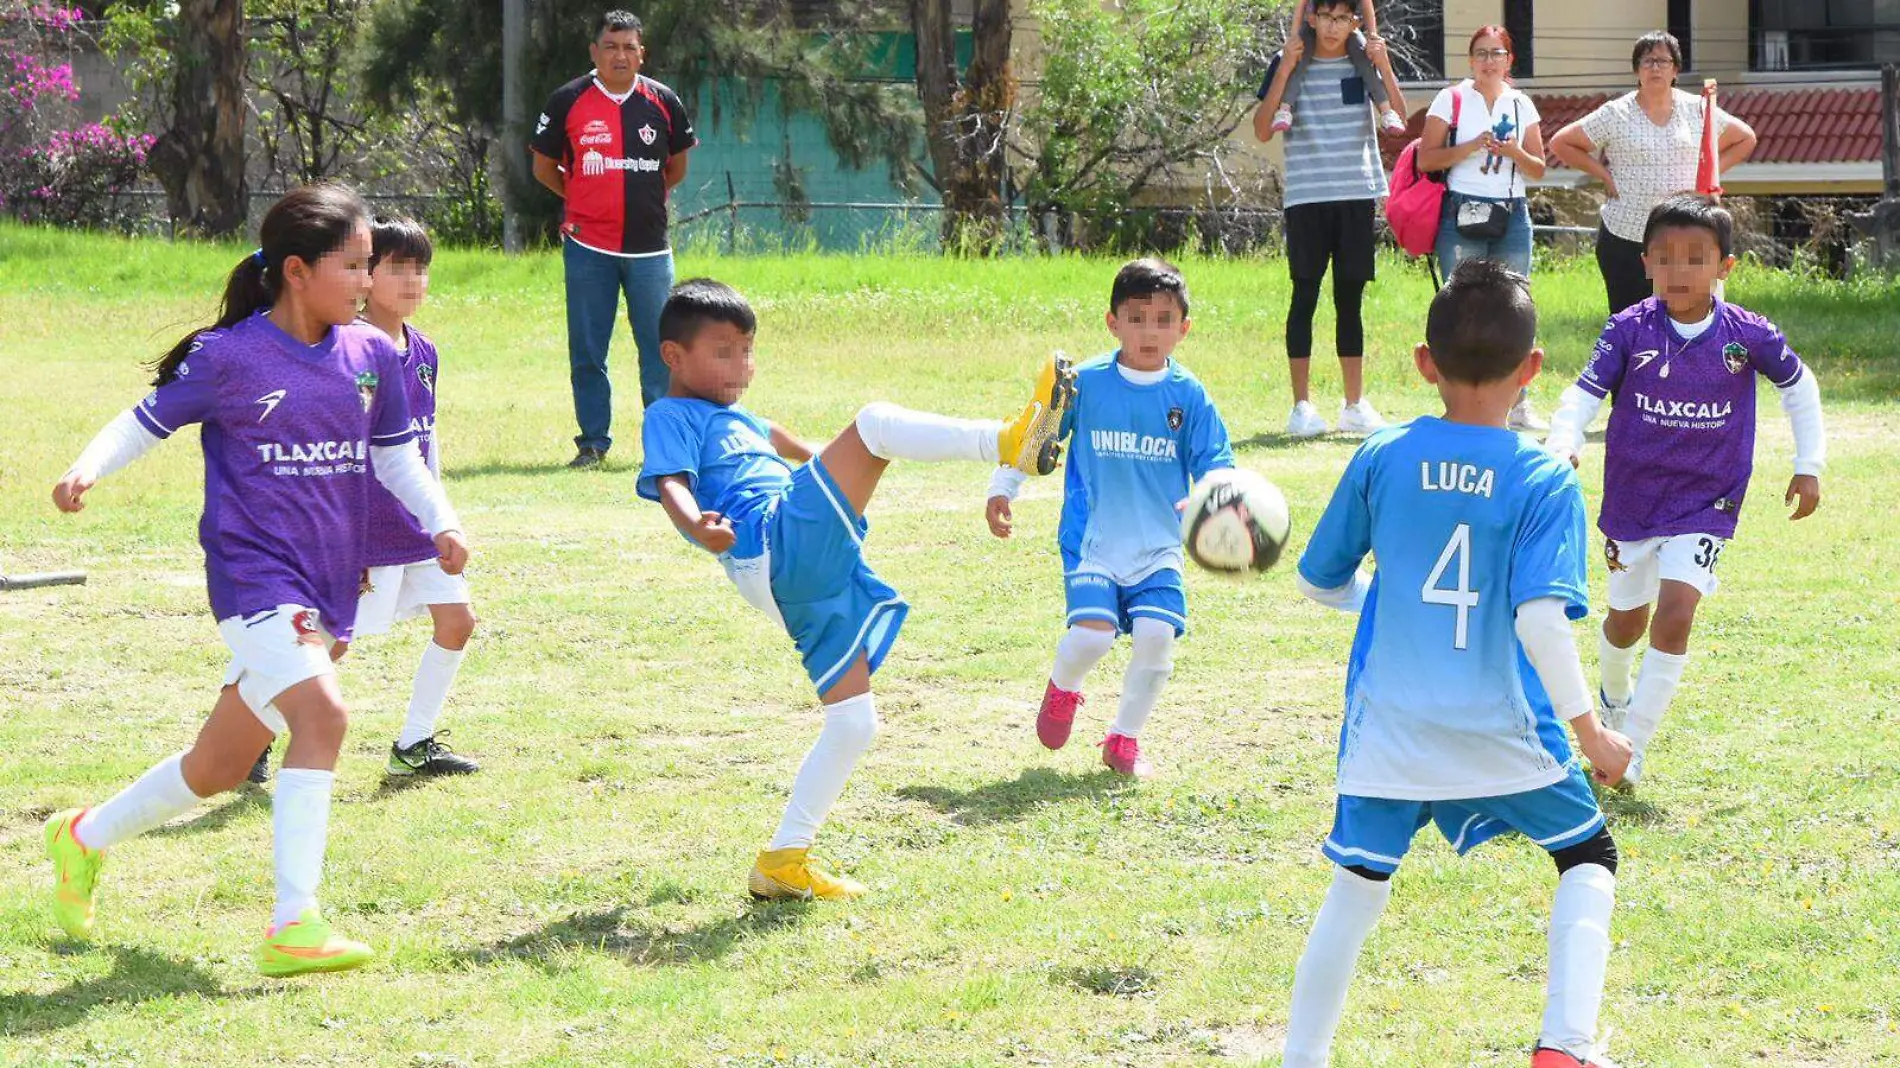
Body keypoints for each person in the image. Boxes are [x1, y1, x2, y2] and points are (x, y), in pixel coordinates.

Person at [44, 184, 470, 977]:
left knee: (218, 768)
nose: (370, 281)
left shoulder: (375, 356)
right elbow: (144, 420)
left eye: (372, 265)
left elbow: (395, 458)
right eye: (356, 266)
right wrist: (86, 470)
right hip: (253, 581)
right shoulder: (231, 356)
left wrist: (440, 520)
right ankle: (293, 924)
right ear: (299, 272)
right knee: (326, 717)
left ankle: (81, 837)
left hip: (329, 585)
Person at [1285, 258, 1632, 1068]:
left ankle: (1302, 1060)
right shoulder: (1545, 475)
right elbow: (1541, 619)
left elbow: (1317, 581)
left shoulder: (1382, 453)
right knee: (1587, 856)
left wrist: (1389, 593)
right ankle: (1564, 1047)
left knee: (1358, 890)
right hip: (1500, 727)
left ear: (1423, 363)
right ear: (1533, 369)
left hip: (1389, 730)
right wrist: (1592, 732)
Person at [636, 279, 1076, 900]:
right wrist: (694, 523)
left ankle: (783, 860)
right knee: (873, 422)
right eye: (723, 351)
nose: (742, 365)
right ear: (674, 357)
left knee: (853, 721)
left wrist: (867, 467)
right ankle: (1008, 441)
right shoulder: (670, 414)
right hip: (771, 539)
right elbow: (671, 484)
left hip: (799, 582)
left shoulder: (744, 420)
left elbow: (812, 454)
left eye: (748, 350)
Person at [1545, 195, 1824, 785]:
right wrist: (1564, 440)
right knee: (1627, 621)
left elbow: (1800, 386)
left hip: (1708, 501)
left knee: (1675, 615)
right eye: (1666, 258)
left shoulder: (1747, 333)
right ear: (1646, 262)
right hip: (1633, 498)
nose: (1680, 271)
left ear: (1725, 266)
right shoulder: (1628, 328)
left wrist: (1810, 463)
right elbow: (1583, 393)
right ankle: (1613, 698)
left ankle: (1631, 748)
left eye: (1696, 259)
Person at [984, 259, 1235, 778]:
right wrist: (1003, 488)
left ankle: (1124, 738)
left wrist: (1210, 498)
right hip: (1092, 541)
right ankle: (1064, 689)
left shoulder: (1189, 396)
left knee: (1156, 639)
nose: (1150, 331)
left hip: (1159, 546)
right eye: (1137, 317)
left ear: (1184, 328)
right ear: (1112, 322)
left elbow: (1217, 464)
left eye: (1164, 319)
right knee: (1092, 638)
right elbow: (1035, 438)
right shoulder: (1086, 384)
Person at [532, 9, 697, 469]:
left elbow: (677, 166)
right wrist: (584, 196)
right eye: (611, 46)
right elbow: (544, 168)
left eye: (629, 47)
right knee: (588, 349)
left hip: (650, 250)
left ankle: (665, 448)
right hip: (589, 249)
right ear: (595, 51)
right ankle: (592, 443)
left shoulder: (663, 101)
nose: (620, 55)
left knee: (661, 350)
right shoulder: (568, 100)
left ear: (642, 54)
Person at [1253, 0, 1407, 439]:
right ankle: (1301, 406)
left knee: (1350, 300)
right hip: (1307, 196)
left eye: (1343, 18)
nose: (1334, 27)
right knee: (1304, 296)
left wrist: (1384, 65)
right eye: (1327, 17)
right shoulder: (1289, 60)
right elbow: (1262, 129)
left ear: (1355, 21)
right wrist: (1284, 69)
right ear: (1312, 18)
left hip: (1356, 192)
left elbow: (1398, 113)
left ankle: (1354, 404)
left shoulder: (1363, 61)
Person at [1549, 31, 1757, 317]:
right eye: (1647, 61)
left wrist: (1708, 178)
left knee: (1687, 319)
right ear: (1637, 69)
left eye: (1663, 61)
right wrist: (1603, 174)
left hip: (1685, 235)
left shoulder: (1697, 108)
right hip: (1627, 234)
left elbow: (1745, 138)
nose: (1655, 68)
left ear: (1676, 69)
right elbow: (1561, 142)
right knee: (1631, 323)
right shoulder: (1616, 113)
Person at [1415, 24, 1548, 432]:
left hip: (1511, 213)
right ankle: (1458, 402)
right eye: (1481, 53)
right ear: (1470, 60)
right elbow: (1426, 159)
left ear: (1509, 60)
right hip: (1462, 208)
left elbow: (1539, 169)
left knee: (1514, 303)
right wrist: (1472, 146)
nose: (1489, 61)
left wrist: (1512, 150)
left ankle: (1518, 402)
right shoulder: (1451, 98)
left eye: (1497, 53)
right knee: (1461, 305)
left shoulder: (1521, 102)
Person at [1266, 0, 1407, 137]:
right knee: (1298, 65)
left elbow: (1366, 4)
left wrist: (1373, 37)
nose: (1332, 29)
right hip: (1311, 28)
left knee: (1365, 65)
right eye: (1327, 17)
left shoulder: (1357, 41)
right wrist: (1294, 37)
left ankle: (1387, 112)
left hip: (1347, 28)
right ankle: (1285, 110)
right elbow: (1301, 5)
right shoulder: (1283, 58)